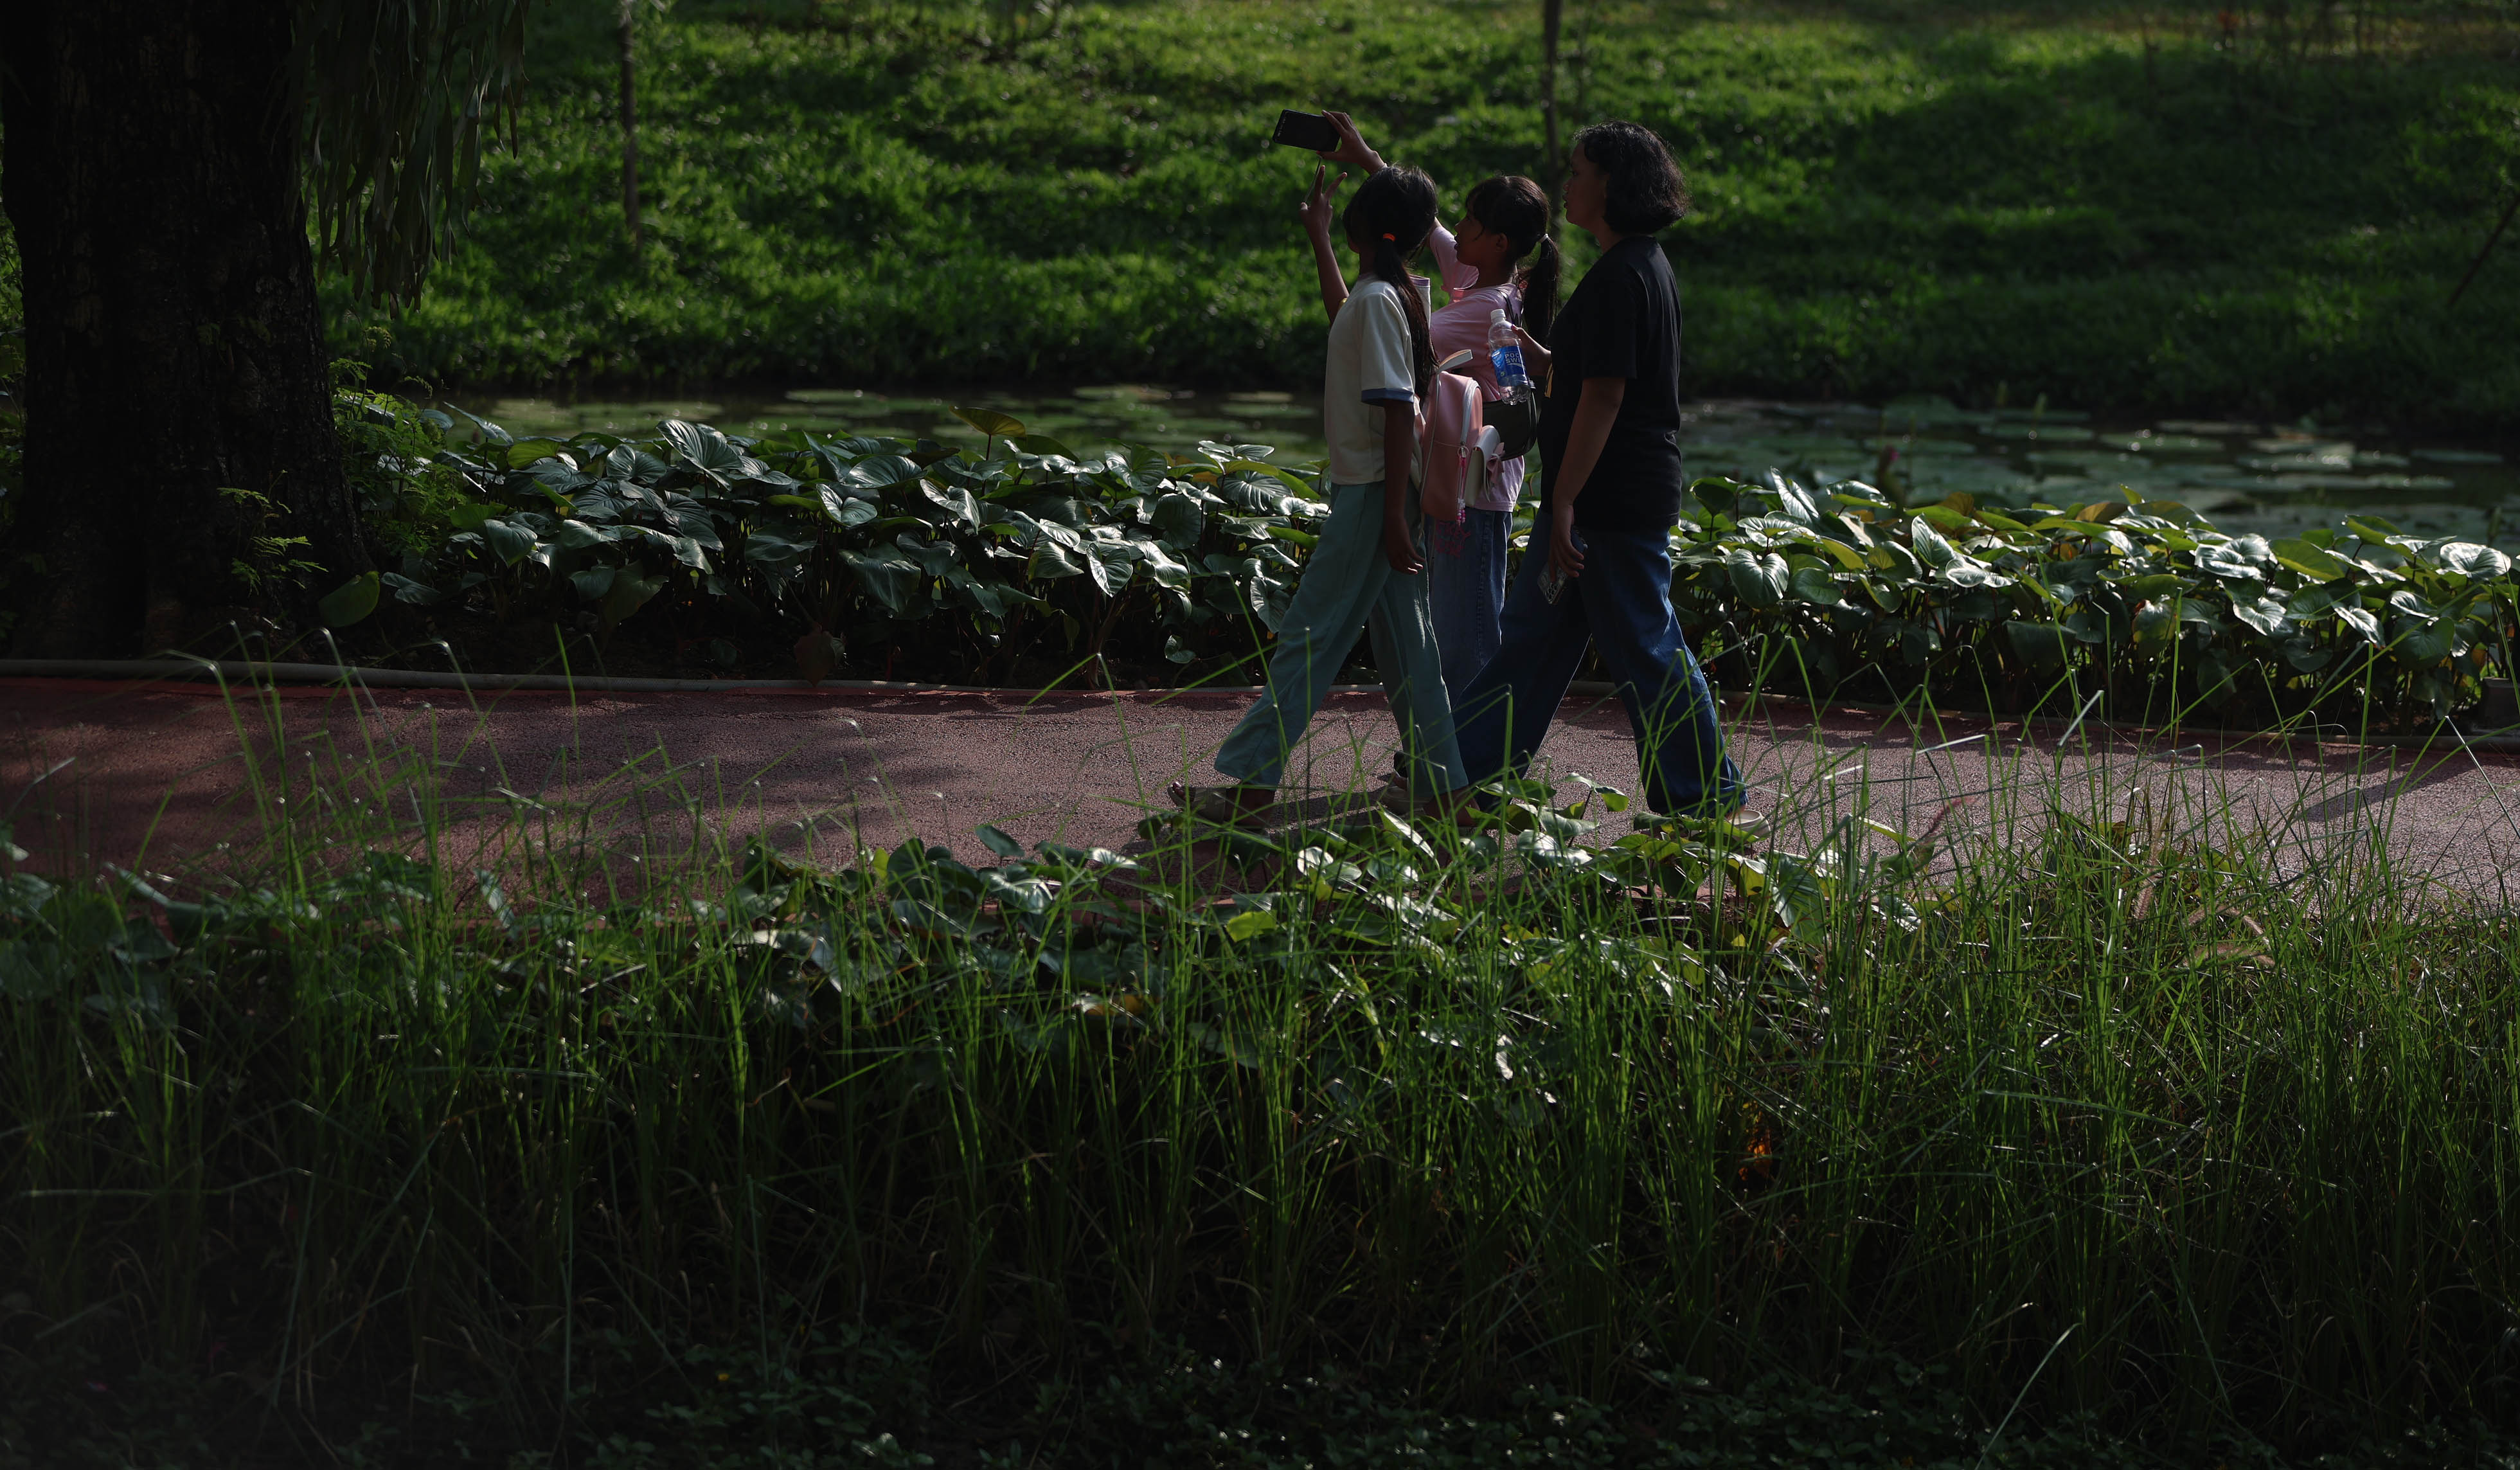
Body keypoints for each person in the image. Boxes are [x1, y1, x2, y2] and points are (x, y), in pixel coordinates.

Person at [1449, 121, 1747, 821]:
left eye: (1579, 172)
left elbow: (1608, 399)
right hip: (1600, 496)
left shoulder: (1622, 276)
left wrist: (1569, 504)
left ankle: (1706, 794)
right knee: (1533, 641)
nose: (1568, 183)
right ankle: (1463, 768)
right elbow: (1594, 379)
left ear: (1612, 185)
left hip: (1607, 502)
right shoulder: (1639, 265)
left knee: (1646, 646)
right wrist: (1541, 356)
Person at [1166, 163, 1467, 824]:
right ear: (1415, 242)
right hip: (1386, 494)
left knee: (1309, 636)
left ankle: (1247, 787)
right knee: (1408, 644)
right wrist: (1319, 237)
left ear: (1362, 227)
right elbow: (1348, 321)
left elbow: (1393, 411)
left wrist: (1391, 516)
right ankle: (1446, 788)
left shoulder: (1381, 299)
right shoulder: (1390, 295)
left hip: (1373, 496)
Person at [1318, 114, 1560, 701]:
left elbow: (1398, 333)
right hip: (1469, 479)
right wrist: (1370, 159)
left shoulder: (1485, 308)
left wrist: (1329, 245)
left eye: (1471, 221)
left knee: (1468, 632)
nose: (1457, 226)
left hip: (1474, 488)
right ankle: (1444, 757)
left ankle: (1473, 766)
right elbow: (1426, 227)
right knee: (1454, 621)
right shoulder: (1485, 278)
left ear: (1498, 242)